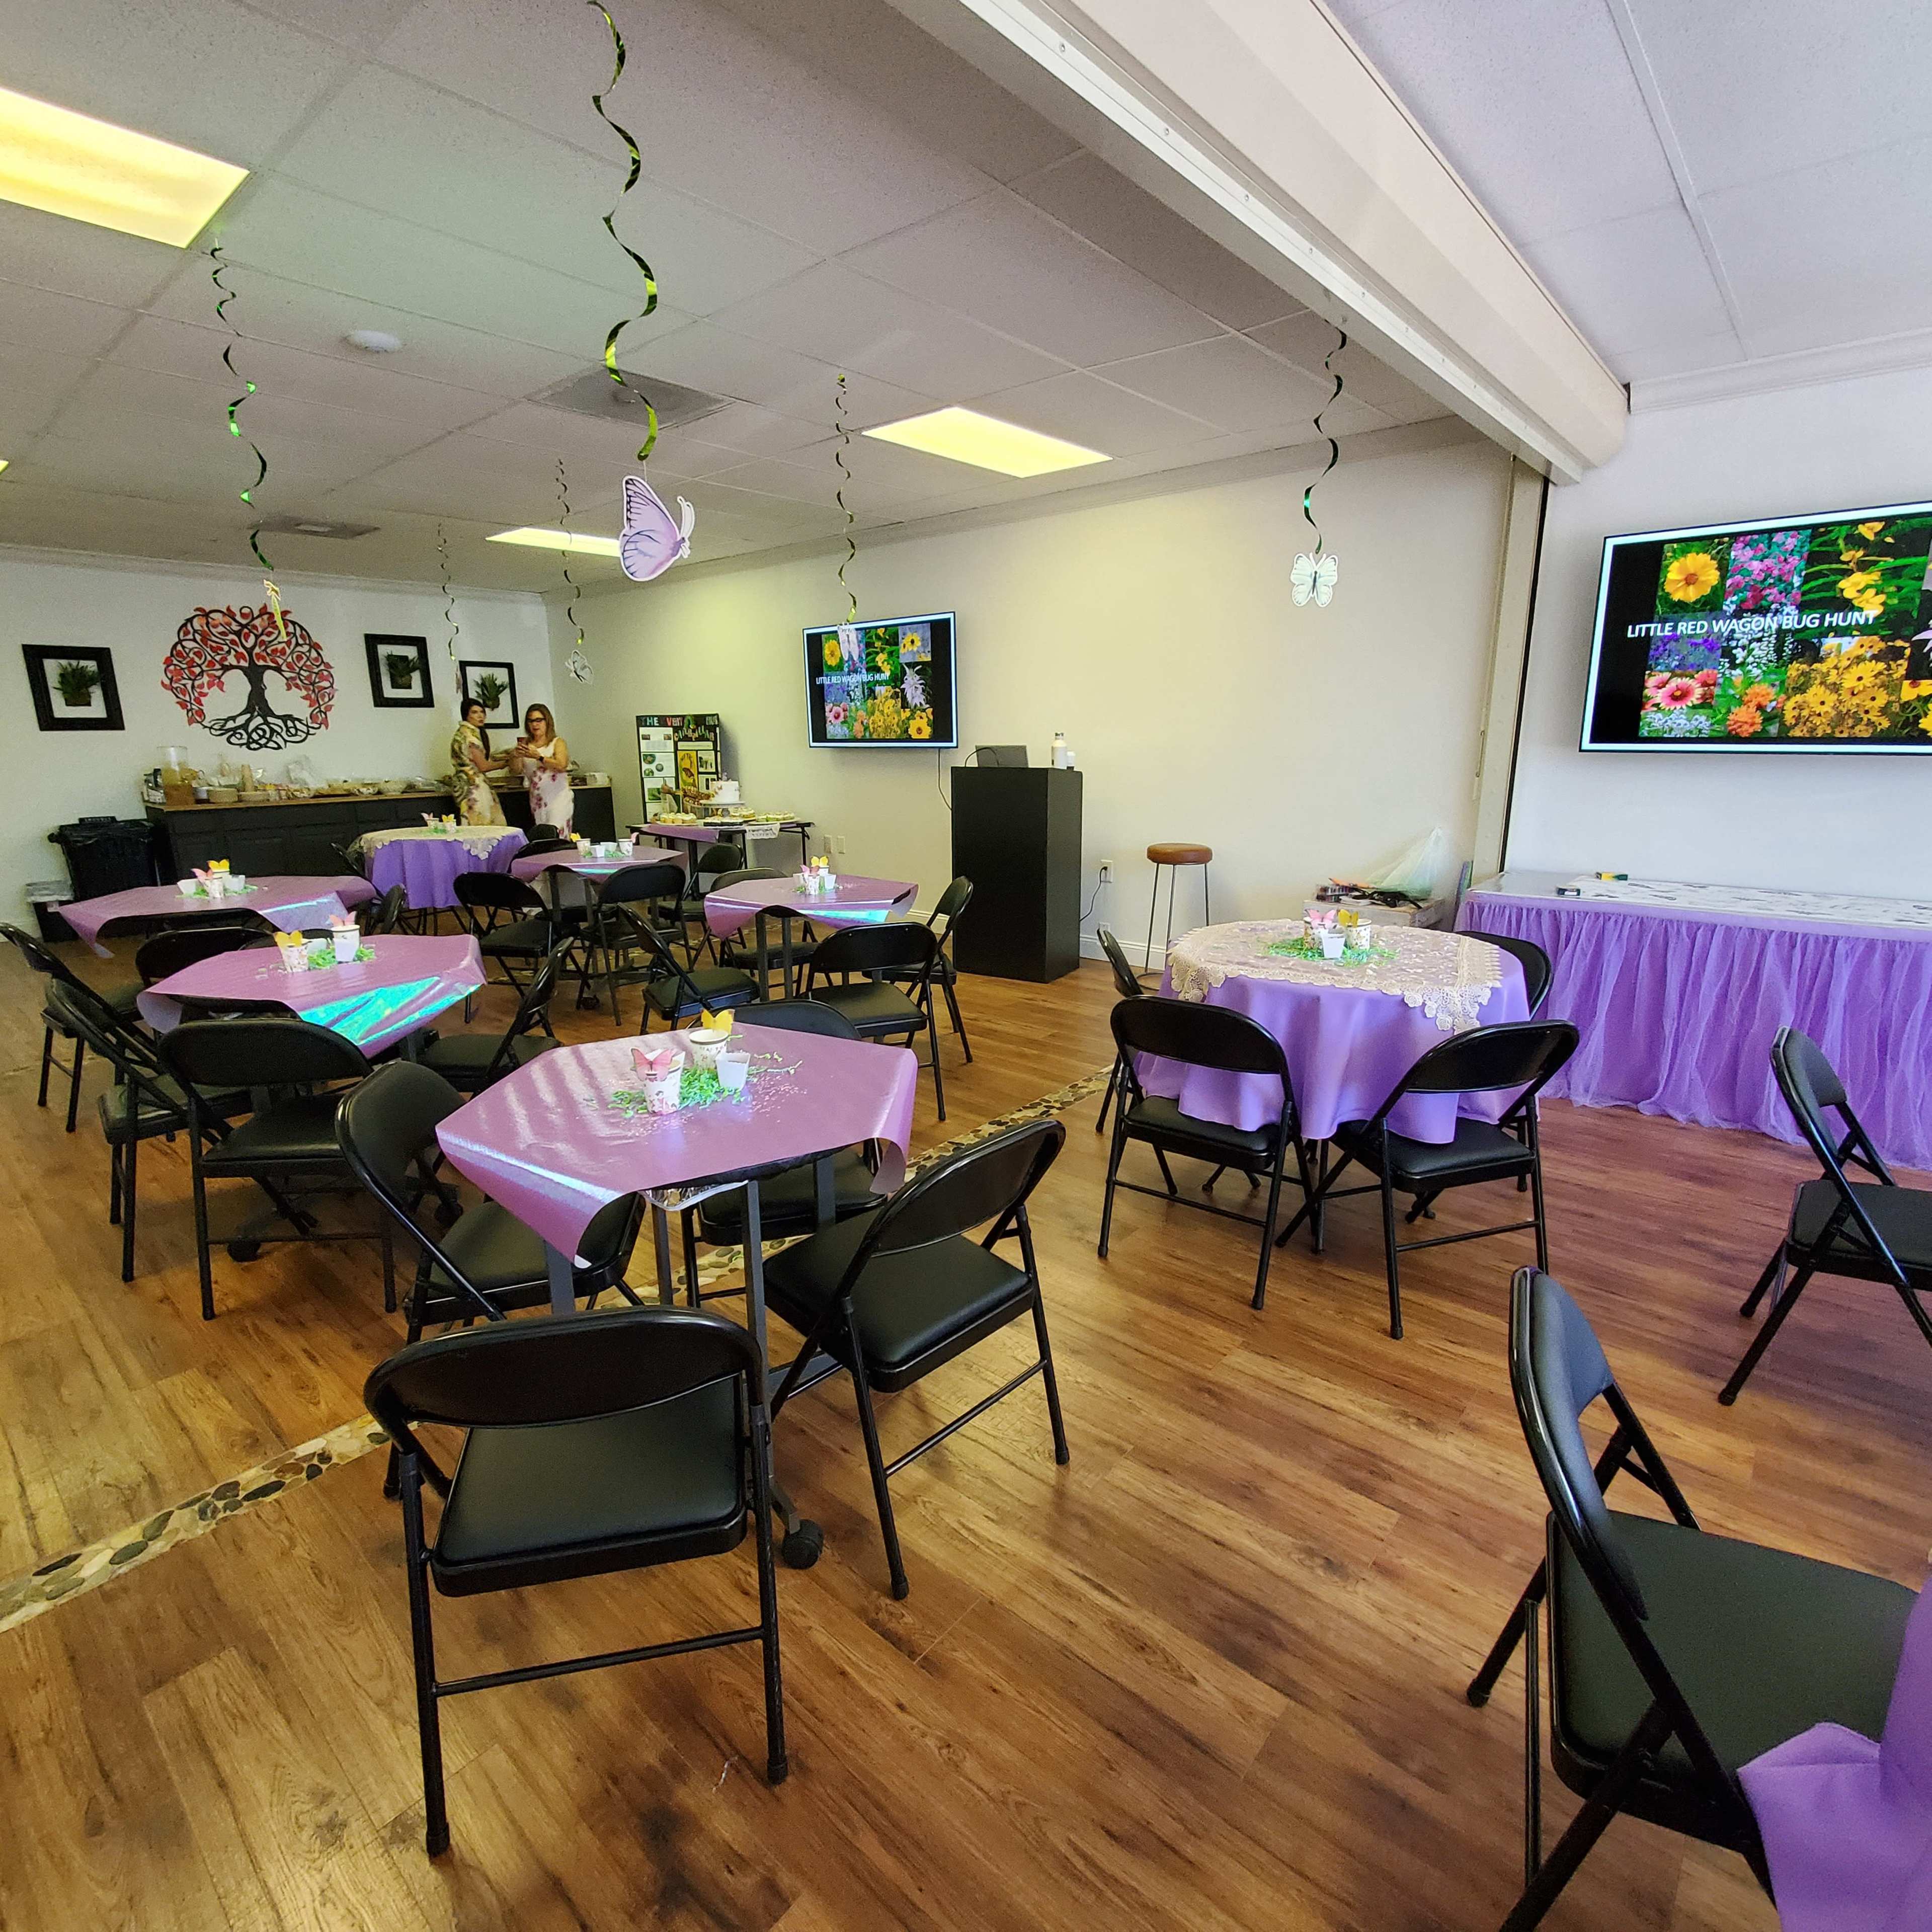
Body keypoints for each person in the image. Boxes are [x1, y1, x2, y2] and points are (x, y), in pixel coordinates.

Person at [514, 703, 573, 836]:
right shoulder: (526, 745)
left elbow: (561, 765)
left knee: (557, 834)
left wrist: (539, 757)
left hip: (559, 798)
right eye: (531, 721)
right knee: (543, 836)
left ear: (547, 721)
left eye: (539, 720)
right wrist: (515, 756)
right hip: (538, 800)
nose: (535, 725)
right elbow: (516, 771)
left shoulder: (557, 743)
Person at [446, 697, 507, 826]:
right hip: (474, 785)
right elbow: (483, 766)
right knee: (482, 823)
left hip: (463, 784)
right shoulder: (470, 736)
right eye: (475, 712)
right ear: (466, 715)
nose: (480, 716)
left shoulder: (461, 733)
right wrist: (506, 763)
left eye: (482, 712)